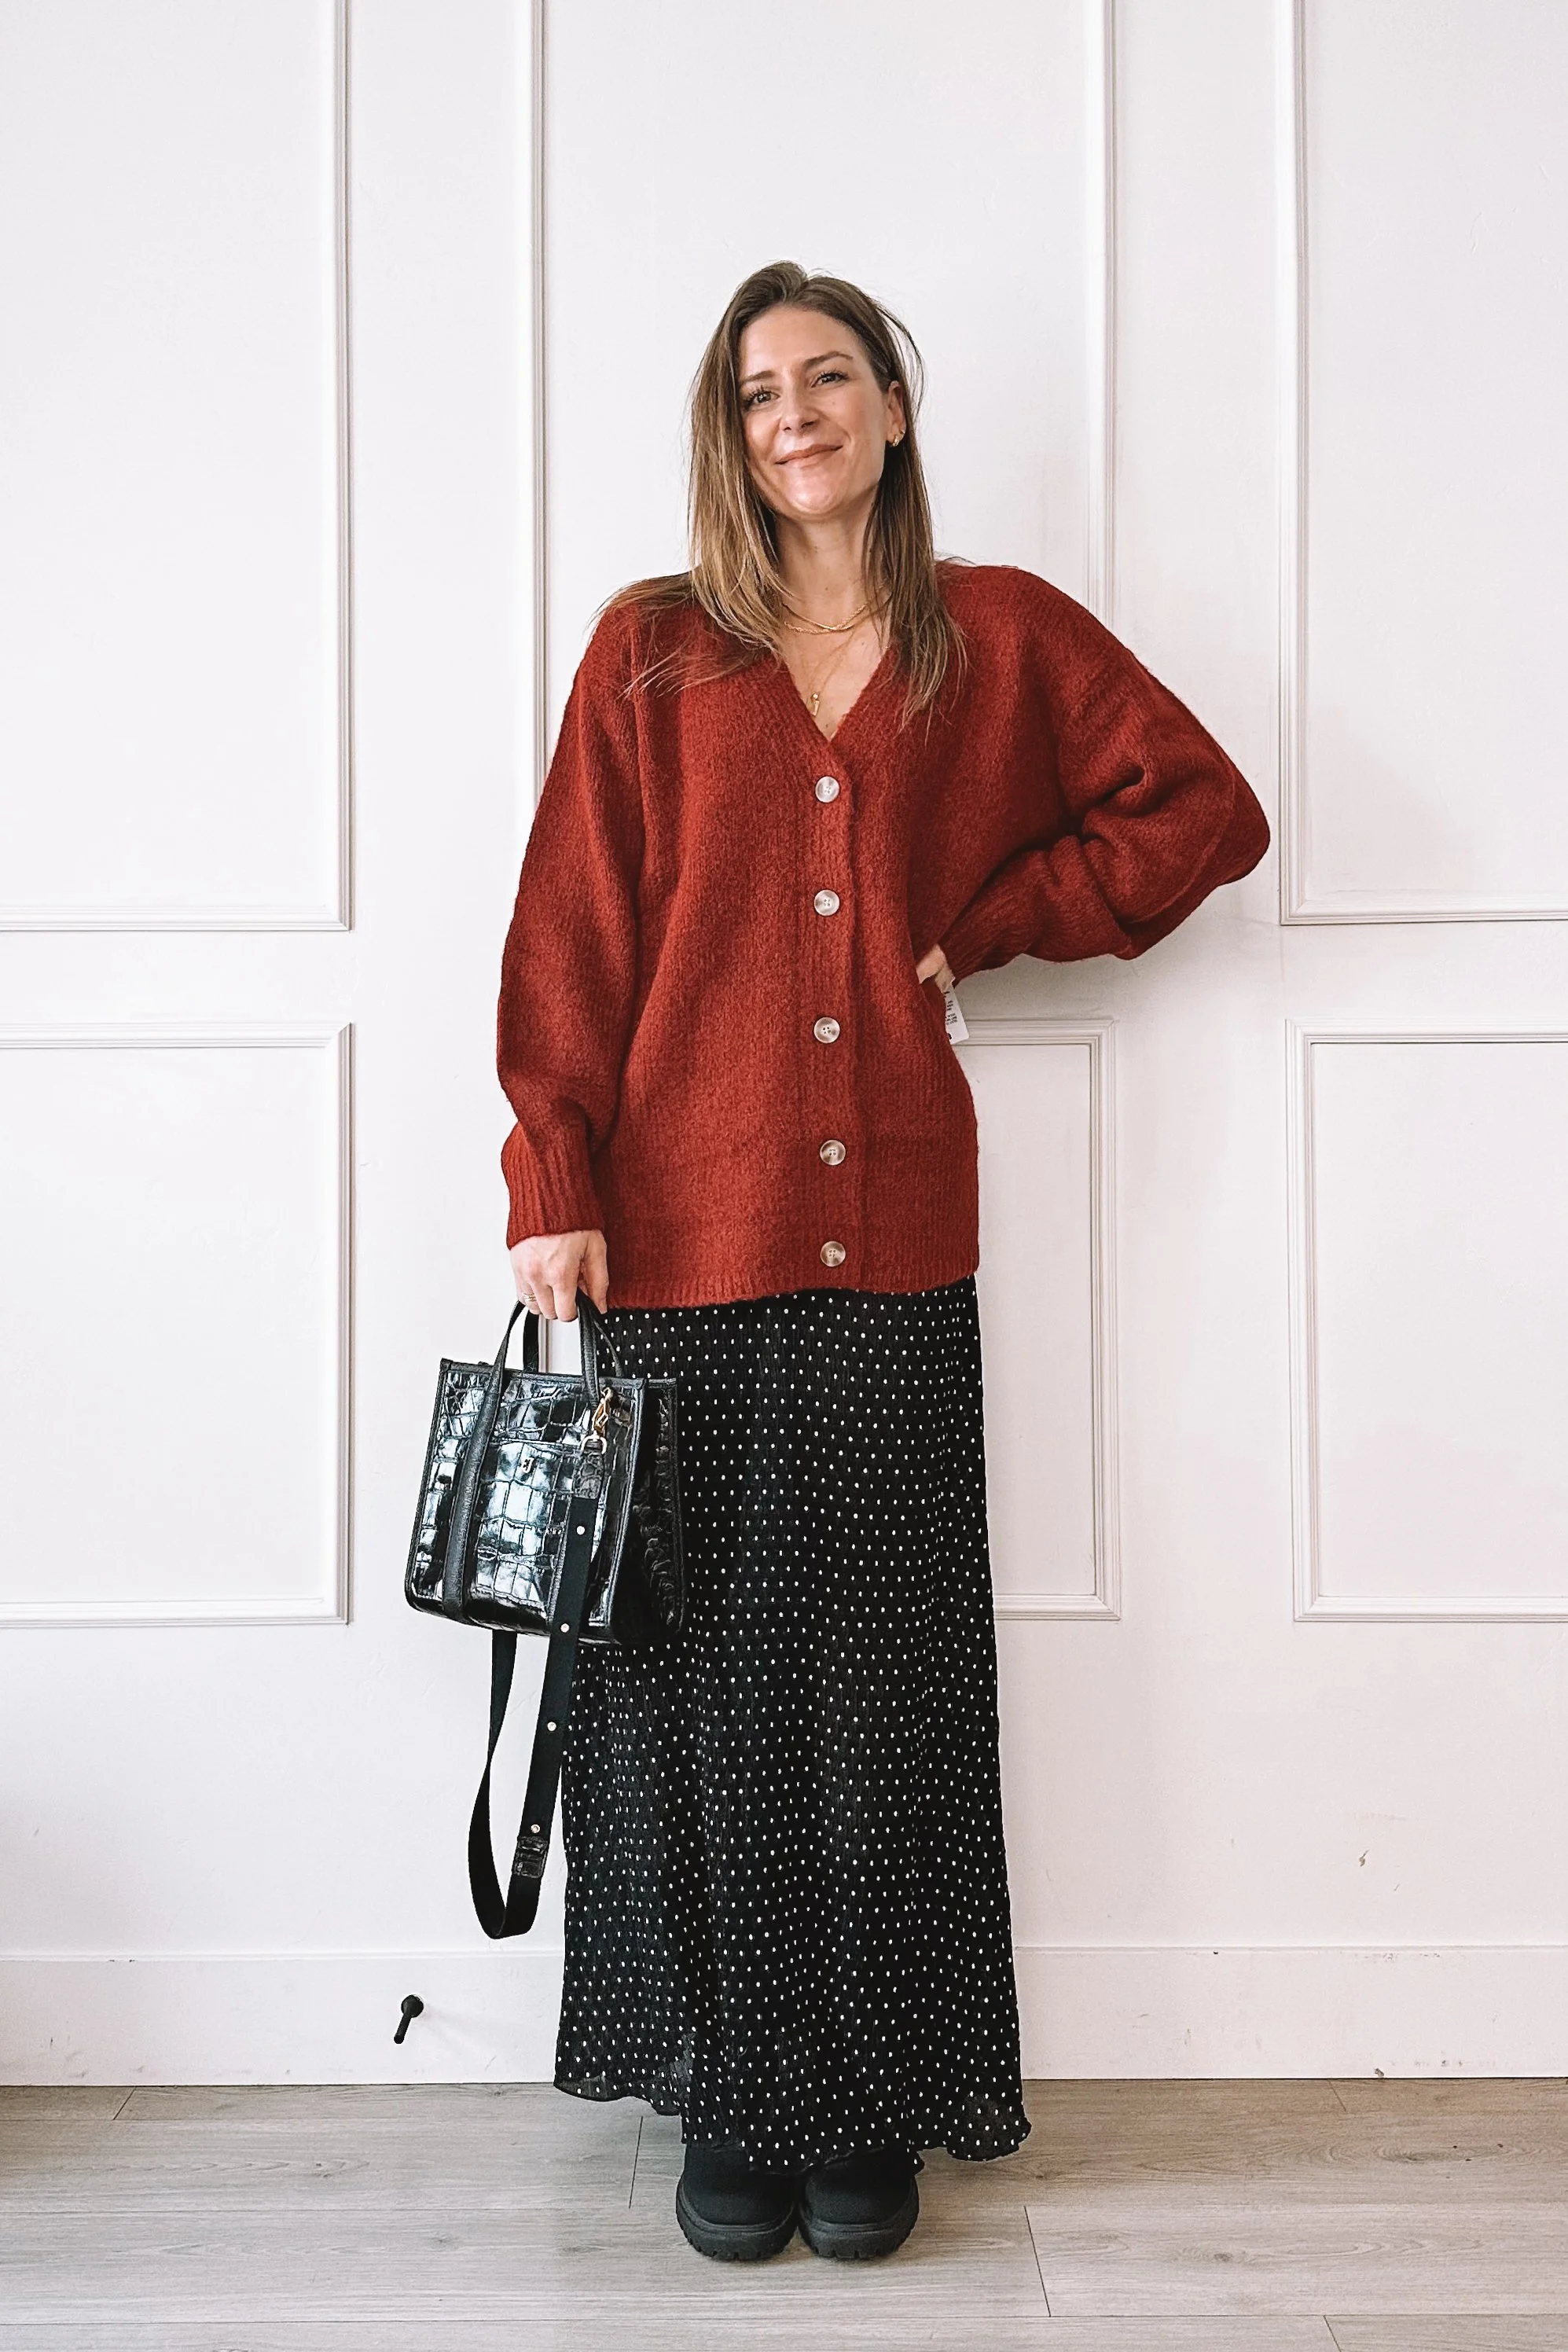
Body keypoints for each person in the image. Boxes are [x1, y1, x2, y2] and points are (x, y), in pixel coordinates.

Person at [495, 260, 1270, 2263]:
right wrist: (551, 1168)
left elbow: (1200, 812)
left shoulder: (990, 640)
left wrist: (996, 915)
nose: (793, 415)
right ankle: (735, 2099)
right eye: (757, 391)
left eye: (826, 377)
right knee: (697, 1694)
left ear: (891, 410)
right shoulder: (651, 656)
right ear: (728, 433)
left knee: (886, 1690)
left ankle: (870, 2108)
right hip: (674, 1241)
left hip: (897, 1240)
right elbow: (572, 931)